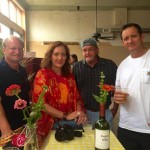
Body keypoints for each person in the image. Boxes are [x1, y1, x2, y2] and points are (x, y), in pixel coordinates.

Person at [32, 41, 87, 147]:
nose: (60, 58)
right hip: (47, 126)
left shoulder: (69, 76)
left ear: (67, 57)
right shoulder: (43, 74)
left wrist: (79, 112)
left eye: (63, 54)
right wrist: (65, 115)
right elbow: (40, 104)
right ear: (50, 56)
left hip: (69, 126)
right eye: (56, 54)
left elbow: (77, 97)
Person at [114, 23, 150, 150]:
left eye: (133, 36)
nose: (130, 41)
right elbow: (118, 92)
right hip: (126, 127)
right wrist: (116, 98)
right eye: (126, 38)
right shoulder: (123, 65)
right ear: (123, 42)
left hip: (147, 129)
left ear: (142, 37)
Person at [72, 38, 118, 128]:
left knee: (105, 141)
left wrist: (114, 110)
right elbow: (73, 91)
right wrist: (78, 111)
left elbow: (118, 88)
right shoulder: (76, 67)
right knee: (86, 141)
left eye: (90, 49)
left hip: (105, 114)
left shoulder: (110, 65)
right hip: (84, 114)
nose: (87, 53)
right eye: (84, 50)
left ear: (97, 50)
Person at [0, 36, 30, 149]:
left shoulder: (22, 70)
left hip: (23, 124)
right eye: (13, 48)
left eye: (20, 48)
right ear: (4, 50)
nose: (17, 52)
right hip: (8, 129)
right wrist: (5, 129)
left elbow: (28, 92)